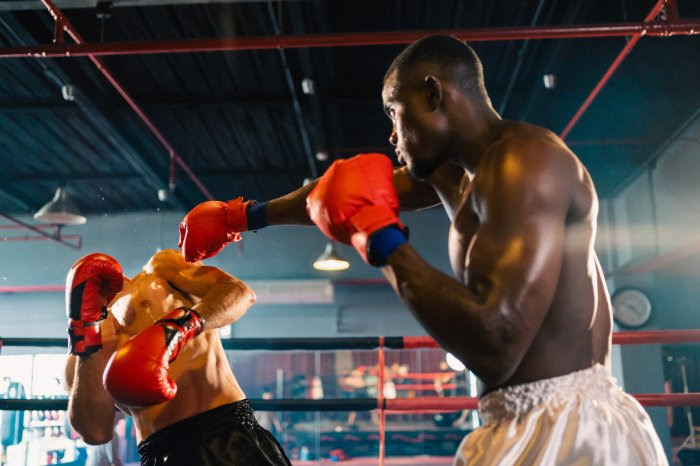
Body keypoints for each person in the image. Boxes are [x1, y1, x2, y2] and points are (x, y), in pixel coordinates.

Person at [178, 35, 667, 465]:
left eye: (394, 111)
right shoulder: (455, 175)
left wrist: (379, 237)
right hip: (522, 421)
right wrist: (241, 216)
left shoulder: (525, 163)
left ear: (433, 93)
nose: (392, 134)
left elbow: (497, 346)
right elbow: (331, 194)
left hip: (571, 432)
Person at [63, 249, 291, 466]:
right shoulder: (85, 349)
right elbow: (95, 432)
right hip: (157, 453)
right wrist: (86, 332)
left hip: (223, 431)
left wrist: (178, 329)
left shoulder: (158, 272)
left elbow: (238, 293)